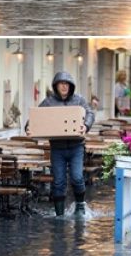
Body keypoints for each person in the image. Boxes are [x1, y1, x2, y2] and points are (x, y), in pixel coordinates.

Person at [26, 72, 95, 217]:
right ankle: (59, 215)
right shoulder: (49, 102)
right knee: (58, 182)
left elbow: (90, 113)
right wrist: (28, 126)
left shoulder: (79, 100)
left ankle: (80, 206)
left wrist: (86, 125)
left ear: (71, 86)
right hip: (57, 148)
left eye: (66, 84)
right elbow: (36, 117)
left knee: (77, 177)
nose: (64, 86)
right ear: (56, 86)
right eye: (61, 83)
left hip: (76, 146)